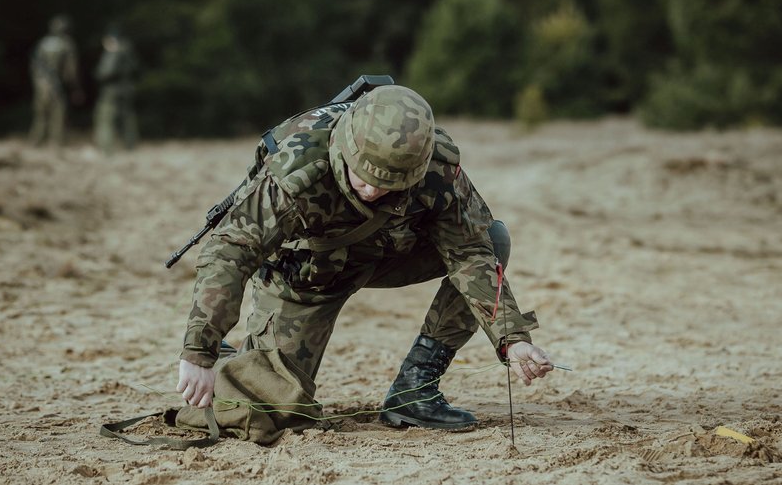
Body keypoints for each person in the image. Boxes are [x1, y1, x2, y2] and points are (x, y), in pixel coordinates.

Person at [176, 85, 555, 431]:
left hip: (390, 251)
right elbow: (230, 251)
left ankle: (415, 390)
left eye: (390, 182)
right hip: (308, 277)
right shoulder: (299, 167)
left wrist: (511, 338)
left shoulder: (437, 168)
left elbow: (470, 253)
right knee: (272, 409)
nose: (372, 190)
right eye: (362, 177)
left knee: (492, 239)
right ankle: (233, 357)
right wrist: (200, 351)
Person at [29, 15, 83, 146]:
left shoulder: (43, 43)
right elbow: (71, 71)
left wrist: (39, 82)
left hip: (41, 85)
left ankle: (36, 142)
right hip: (56, 85)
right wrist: (75, 88)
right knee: (58, 114)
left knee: (41, 114)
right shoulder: (67, 44)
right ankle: (56, 143)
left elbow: (34, 65)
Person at [93, 24, 139, 154]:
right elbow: (135, 68)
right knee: (127, 118)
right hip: (127, 89)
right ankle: (131, 146)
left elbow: (106, 72)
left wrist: (97, 74)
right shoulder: (128, 49)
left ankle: (106, 149)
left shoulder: (114, 50)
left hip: (112, 91)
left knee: (105, 119)